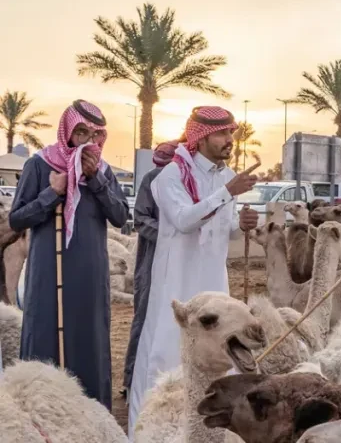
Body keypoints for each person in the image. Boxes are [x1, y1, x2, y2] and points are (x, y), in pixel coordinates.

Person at [128, 107, 259, 433]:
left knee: (216, 355)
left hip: (214, 283)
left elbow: (223, 227)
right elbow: (185, 220)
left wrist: (242, 223)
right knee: (165, 355)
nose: (230, 140)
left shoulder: (226, 178)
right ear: (200, 137)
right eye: (222, 134)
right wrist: (227, 192)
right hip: (177, 285)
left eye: (231, 133)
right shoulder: (170, 176)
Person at [9, 100, 128, 409]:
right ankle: (39, 417)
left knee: (89, 342)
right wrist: (53, 193)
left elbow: (119, 216)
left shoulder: (102, 171)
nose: (89, 141)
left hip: (89, 276)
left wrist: (97, 182)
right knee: (45, 339)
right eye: (81, 132)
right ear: (67, 131)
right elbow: (18, 219)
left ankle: (91, 418)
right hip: (49, 274)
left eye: (95, 133)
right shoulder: (40, 165)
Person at [121, 141, 176, 398]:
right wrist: (170, 234)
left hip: (181, 262)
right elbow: (141, 219)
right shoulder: (152, 179)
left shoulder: (187, 181)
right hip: (152, 261)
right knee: (144, 320)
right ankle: (132, 380)